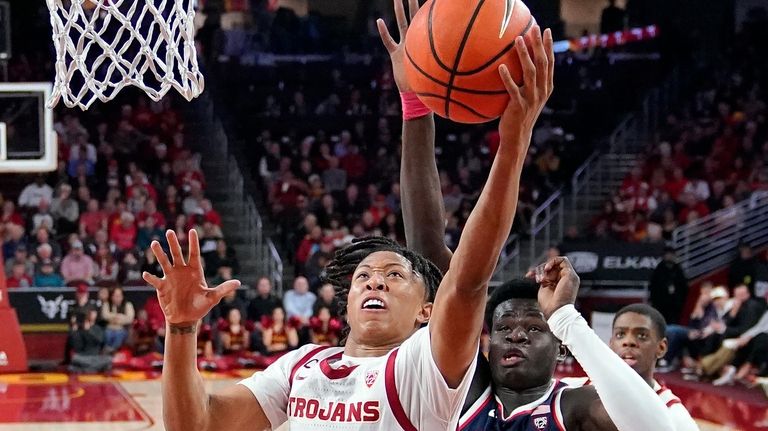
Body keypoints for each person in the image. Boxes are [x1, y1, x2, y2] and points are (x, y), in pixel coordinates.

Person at [141, 0, 551, 425]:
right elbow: (197, 424)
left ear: (426, 310)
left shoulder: (423, 367)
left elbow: (466, 277)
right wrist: (182, 329)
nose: (376, 280)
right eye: (364, 277)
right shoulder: (303, 366)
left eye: (395, 275)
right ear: (347, 301)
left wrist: (513, 142)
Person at [385, 2, 677, 430]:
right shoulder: (463, 391)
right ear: (486, 342)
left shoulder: (575, 407)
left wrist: (565, 318)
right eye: (504, 328)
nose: (516, 334)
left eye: (534, 329)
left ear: (559, 349)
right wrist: (415, 102)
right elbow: (427, 249)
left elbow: (657, 427)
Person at [566, 304, 698, 430]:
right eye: (620, 335)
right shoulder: (570, 389)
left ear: (661, 347)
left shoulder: (676, 417)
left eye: (642, 335)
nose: (628, 341)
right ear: (611, 344)